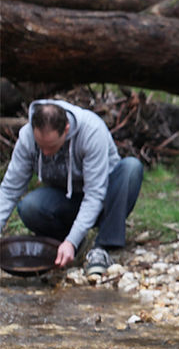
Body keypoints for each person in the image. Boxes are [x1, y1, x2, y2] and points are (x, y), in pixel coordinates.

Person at [0, 100, 143, 278]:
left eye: (50, 146)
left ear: (66, 129)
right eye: (40, 145)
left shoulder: (91, 131)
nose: (44, 152)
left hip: (106, 199)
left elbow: (94, 194)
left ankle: (102, 247)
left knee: (131, 168)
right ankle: (68, 243)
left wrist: (71, 241)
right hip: (67, 201)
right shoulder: (27, 136)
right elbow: (9, 189)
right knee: (29, 206)